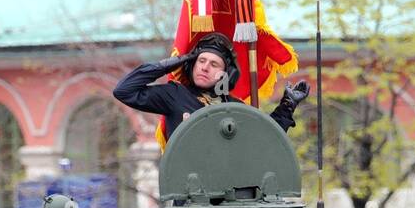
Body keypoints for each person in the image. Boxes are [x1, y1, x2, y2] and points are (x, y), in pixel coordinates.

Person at [113, 32, 309, 145]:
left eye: (214, 64)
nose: (205, 67)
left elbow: (265, 137)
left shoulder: (233, 106)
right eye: (201, 61)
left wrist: (287, 105)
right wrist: (172, 63)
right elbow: (124, 91)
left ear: (225, 75)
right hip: (189, 194)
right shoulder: (175, 95)